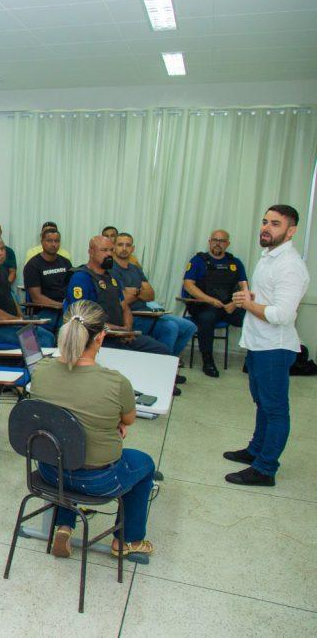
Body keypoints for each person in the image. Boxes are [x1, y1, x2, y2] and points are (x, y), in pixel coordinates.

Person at [29, 300, 155, 560]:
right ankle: (128, 541)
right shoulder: (116, 382)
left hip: (50, 472)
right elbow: (129, 419)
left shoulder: (40, 371)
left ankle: (64, 525)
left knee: (68, 448)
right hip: (99, 482)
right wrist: (114, 423)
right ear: (100, 338)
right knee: (146, 465)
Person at [224, 205, 310, 487]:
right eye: (264, 221)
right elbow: (268, 300)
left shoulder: (289, 265)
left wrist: (248, 303)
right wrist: (251, 297)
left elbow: (282, 314)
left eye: (275, 223)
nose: (266, 227)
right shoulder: (269, 257)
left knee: (275, 409)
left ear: (291, 230)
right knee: (262, 403)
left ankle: (265, 468)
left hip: (275, 347)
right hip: (260, 344)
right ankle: (256, 450)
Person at [64, 237, 170, 357]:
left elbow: (125, 307)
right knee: (131, 357)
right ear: (91, 252)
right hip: (95, 339)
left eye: (111, 250)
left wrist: (127, 329)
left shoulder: (112, 278)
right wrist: (119, 330)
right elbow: (82, 318)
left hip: (119, 335)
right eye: (104, 250)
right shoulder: (81, 278)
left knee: (163, 352)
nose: (109, 254)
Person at [111, 233, 197, 358]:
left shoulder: (135, 269)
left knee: (189, 327)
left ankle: (170, 362)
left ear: (133, 248)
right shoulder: (111, 269)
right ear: (114, 247)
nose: (124, 248)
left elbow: (151, 295)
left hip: (148, 312)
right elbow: (122, 299)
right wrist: (141, 292)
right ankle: (163, 366)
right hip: (132, 315)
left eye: (128, 245)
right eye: (120, 245)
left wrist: (135, 291)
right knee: (170, 328)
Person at [182, 229, 249, 377]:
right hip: (204, 305)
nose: (218, 244)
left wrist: (235, 303)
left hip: (229, 306)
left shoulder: (235, 263)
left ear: (228, 244)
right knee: (207, 318)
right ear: (209, 242)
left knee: (252, 317)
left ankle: (251, 359)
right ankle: (208, 360)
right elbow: (188, 285)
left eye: (222, 241)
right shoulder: (198, 261)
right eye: (215, 240)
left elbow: (245, 287)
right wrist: (210, 300)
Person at [0, 235, 55, 348]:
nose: (0, 253)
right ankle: (33, 365)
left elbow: (10, 296)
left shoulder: (1, 270)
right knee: (44, 340)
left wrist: (21, 316)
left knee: (49, 335)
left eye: (2, 249)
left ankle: (36, 364)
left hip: (9, 324)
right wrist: (18, 320)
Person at [22, 226, 73, 331]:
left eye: (57, 241)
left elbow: (71, 288)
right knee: (63, 330)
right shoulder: (32, 265)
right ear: (42, 242)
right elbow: (36, 297)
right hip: (45, 310)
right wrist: (62, 306)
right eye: (49, 241)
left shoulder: (66, 262)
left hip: (65, 308)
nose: (54, 244)